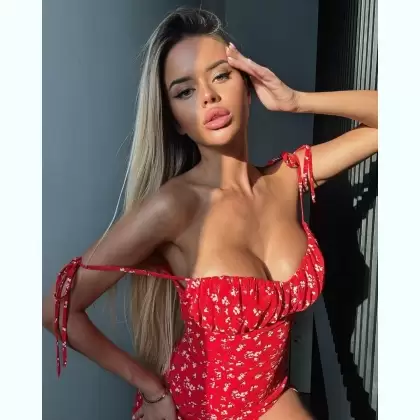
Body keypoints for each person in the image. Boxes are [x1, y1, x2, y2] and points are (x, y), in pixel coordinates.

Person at [42, 7, 378, 420]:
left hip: (270, 397)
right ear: (177, 122)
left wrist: (296, 101)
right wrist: (150, 389)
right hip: (194, 407)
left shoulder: (287, 178)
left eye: (221, 76)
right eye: (184, 91)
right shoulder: (173, 207)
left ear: (248, 87)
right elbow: (58, 309)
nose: (207, 96)